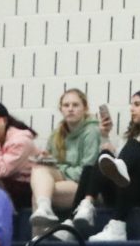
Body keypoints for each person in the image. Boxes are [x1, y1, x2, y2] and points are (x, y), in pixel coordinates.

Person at [74, 90, 140, 241]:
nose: (132, 109)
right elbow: (111, 165)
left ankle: (117, 226)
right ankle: (83, 208)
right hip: (123, 190)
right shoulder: (129, 137)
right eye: (131, 105)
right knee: (94, 164)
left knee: (131, 148)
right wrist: (105, 136)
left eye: (137, 104)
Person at [28, 88, 100, 236]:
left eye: (75, 105)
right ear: (61, 109)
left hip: (85, 187)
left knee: (40, 192)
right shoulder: (57, 132)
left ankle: (39, 238)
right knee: (39, 169)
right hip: (64, 180)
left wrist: (58, 167)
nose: (70, 109)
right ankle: (44, 210)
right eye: (66, 105)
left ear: (85, 108)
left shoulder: (92, 131)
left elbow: (88, 170)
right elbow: (53, 164)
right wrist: (46, 159)